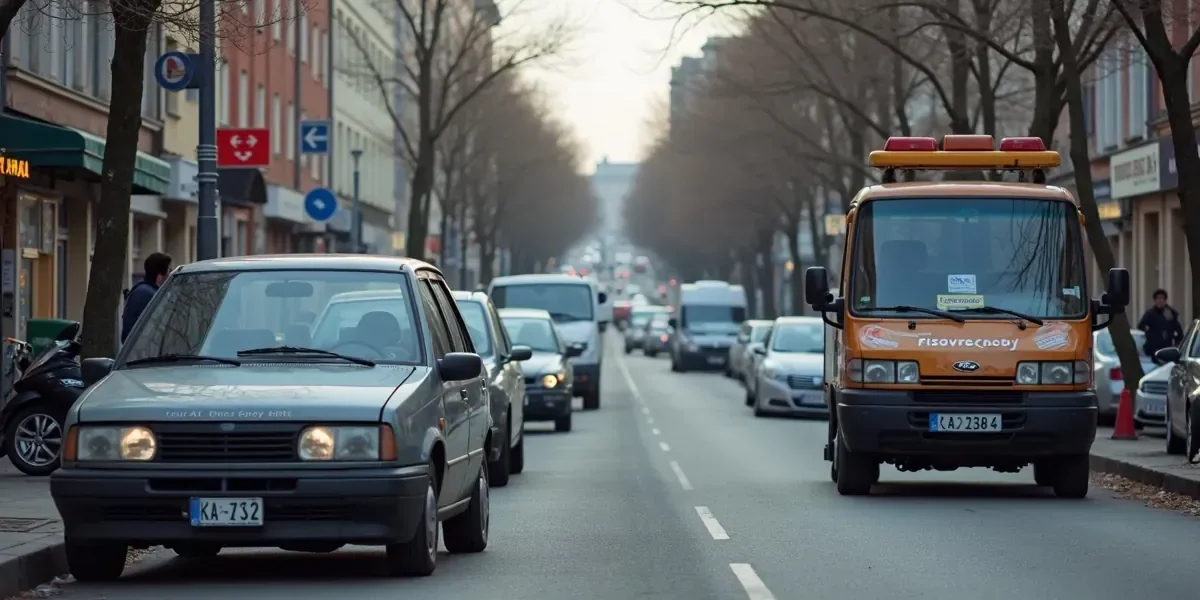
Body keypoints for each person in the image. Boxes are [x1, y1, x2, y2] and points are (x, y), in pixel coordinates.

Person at [121, 252, 172, 343]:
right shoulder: (149, 296)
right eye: (169, 271)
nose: (170, 274)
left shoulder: (143, 292)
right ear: (160, 276)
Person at [1137, 288, 1184, 356]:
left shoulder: (1171, 313)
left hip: (1167, 347)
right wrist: (1150, 333)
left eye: (1162, 298)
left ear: (1165, 300)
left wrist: (1175, 341)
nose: (1160, 301)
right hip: (1152, 348)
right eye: (1158, 298)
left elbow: (1179, 332)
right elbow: (1141, 326)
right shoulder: (1150, 313)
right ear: (1155, 300)